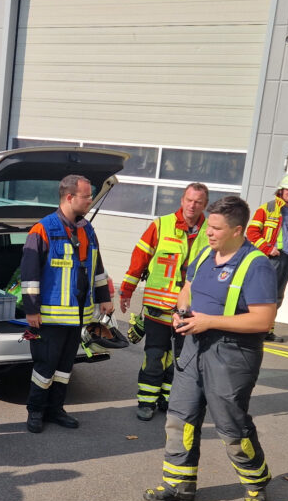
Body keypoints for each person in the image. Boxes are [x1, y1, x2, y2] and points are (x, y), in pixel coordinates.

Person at [144, 195, 278, 501]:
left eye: (216, 228)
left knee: (231, 425)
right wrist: (182, 311)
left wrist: (209, 322)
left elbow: (263, 319)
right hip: (193, 348)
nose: (209, 233)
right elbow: (187, 288)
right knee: (179, 418)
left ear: (237, 230)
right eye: (209, 226)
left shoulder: (256, 265)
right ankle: (179, 484)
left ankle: (255, 482)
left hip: (231, 354)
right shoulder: (205, 253)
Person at [19, 174, 113, 433]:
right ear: (70, 198)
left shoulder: (87, 229)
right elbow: (29, 275)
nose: (91, 200)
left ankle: (56, 409)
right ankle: (36, 411)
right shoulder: (43, 229)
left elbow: (97, 266)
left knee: (64, 369)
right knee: (44, 367)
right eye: (87, 196)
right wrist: (31, 311)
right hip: (49, 318)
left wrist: (104, 297)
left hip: (77, 317)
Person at [119, 183, 210, 421]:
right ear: (182, 200)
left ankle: (169, 400)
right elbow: (140, 257)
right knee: (155, 356)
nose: (192, 205)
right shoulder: (161, 225)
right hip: (158, 307)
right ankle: (146, 401)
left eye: (198, 202)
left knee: (181, 359)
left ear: (205, 205)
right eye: (189, 200)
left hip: (191, 309)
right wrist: (127, 290)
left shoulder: (211, 230)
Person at [245, 173, 288, 343]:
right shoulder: (268, 208)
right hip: (271, 258)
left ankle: (267, 330)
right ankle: (255, 328)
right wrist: (268, 248)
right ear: (281, 190)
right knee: (264, 294)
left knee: (278, 296)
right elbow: (252, 232)